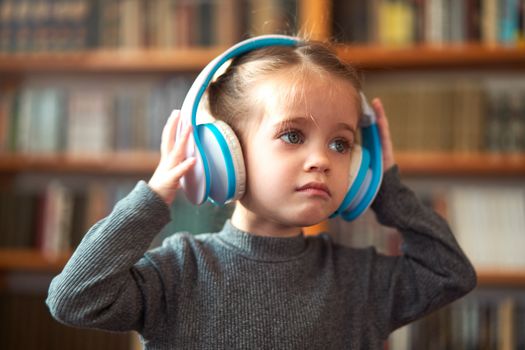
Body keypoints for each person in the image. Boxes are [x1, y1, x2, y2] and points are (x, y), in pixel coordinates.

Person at [46, 38, 476, 349]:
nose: (321, 160)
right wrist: (154, 196)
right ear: (221, 157)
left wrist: (388, 188)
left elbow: (450, 274)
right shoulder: (178, 271)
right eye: (292, 135)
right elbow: (74, 299)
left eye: (340, 144)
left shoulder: (359, 281)